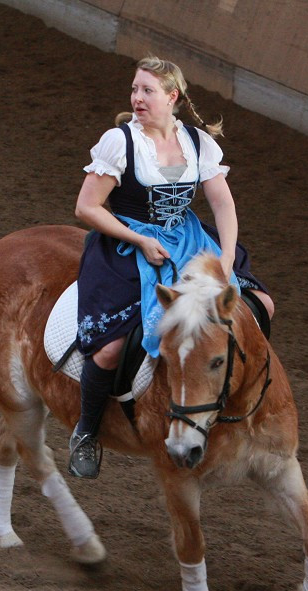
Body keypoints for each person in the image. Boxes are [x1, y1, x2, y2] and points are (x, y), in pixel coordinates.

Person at [69, 55, 273, 479]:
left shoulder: (198, 143)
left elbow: (222, 203)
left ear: (172, 97)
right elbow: (87, 207)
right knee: (108, 350)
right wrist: (140, 239)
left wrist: (227, 255)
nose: (137, 98)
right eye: (134, 89)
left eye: (147, 91)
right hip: (128, 245)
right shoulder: (120, 142)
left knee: (263, 306)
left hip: (189, 239)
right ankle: (86, 432)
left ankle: (230, 403)